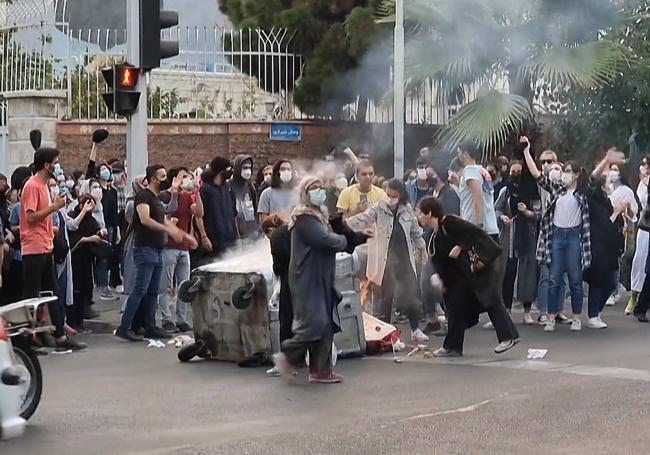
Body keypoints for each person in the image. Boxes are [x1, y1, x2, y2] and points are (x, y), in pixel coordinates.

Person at [417, 196, 519, 356]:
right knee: (455, 306)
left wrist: (460, 246)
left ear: (429, 213)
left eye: (420, 213)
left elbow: (476, 232)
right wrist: (437, 276)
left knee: (491, 301)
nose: (418, 216)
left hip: (479, 268)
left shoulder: (449, 222)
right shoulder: (435, 235)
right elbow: (439, 260)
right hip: (462, 276)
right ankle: (452, 347)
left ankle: (509, 336)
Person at [272, 176, 349, 384]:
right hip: (307, 278)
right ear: (305, 193)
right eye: (314, 188)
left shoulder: (319, 215)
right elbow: (325, 240)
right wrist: (344, 240)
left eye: (321, 187)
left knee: (325, 325)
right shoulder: (304, 218)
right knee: (315, 322)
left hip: (321, 276)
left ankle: (321, 370)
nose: (319, 191)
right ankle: (287, 354)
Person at [115, 165, 194, 342]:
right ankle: (125, 326)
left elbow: (165, 219)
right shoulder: (143, 196)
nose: (165, 179)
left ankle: (150, 325)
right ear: (152, 178)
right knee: (140, 289)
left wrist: (185, 235)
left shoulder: (156, 199)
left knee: (153, 291)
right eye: (162, 176)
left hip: (157, 249)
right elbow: (145, 219)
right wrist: (169, 230)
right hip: (145, 248)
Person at [346, 179, 429, 342]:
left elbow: (415, 232)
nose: (390, 198)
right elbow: (363, 219)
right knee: (386, 298)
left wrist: (422, 248)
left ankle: (415, 329)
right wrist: (342, 224)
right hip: (386, 261)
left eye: (394, 196)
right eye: (388, 195)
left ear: (401, 195)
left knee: (411, 295)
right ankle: (386, 334)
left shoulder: (407, 211)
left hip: (404, 259)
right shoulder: (379, 208)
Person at [522, 137, 591, 332]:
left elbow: (593, 178)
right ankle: (551, 317)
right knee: (554, 279)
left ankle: (576, 317)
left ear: (576, 175)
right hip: (557, 237)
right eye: (565, 171)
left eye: (569, 172)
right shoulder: (556, 189)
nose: (565, 175)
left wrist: (606, 161)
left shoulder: (582, 193)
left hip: (575, 237)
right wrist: (527, 151)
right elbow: (537, 175)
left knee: (576, 280)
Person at [20, 148, 85, 351]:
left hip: (45, 244)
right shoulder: (32, 186)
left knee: (53, 293)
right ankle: (27, 341)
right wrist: (54, 207)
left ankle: (59, 334)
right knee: (31, 296)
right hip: (33, 247)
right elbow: (30, 217)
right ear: (47, 165)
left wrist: (51, 225)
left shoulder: (44, 186)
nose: (58, 166)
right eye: (56, 162)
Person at [583, 150, 627, 329]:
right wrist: (606, 159)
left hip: (609, 248)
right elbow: (605, 223)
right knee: (599, 281)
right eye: (607, 176)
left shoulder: (605, 199)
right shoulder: (593, 196)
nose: (610, 178)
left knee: (610, 282)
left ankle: (597, 313)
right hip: (597, 246)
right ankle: (593, 315)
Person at [495, 161, 541, 325]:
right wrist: (502, 217)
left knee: (527, 274)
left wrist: (527, 212)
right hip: (509, 235)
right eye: (513, 171)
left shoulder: (533, 191)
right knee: (507, 273)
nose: (515, 174)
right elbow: (497, 208)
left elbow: (539, 213)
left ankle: (527, 312)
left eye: (519, 171)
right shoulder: (505, 191)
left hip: (527, 236)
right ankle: (505, 311)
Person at [157, 168, 200, 334]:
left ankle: (181, 319)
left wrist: (197, 191)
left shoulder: (188, 196)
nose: (187, 179)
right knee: (166, 285)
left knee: (184, 285)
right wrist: (174, 191)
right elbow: (163, 217)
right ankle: (167, 319)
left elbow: (198, 213)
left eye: (188, 176)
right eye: (184, 176)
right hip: (169, 247)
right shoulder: (164, 196)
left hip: (184, 248)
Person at [535, 151, 570, 325]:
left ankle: (558, 311)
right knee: (546, 275)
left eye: (551, 162)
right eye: (544, 162)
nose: (547, 165)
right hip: (547, 234)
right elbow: (539, 178)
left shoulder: (566, 186)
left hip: (563, 234)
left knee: (561, 276)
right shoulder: (544, 183)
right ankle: (543, 311)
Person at [67, 194, 104, 331]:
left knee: (85, 289)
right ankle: (73, 322)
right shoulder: (72, 215)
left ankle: (81, 320)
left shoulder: (91, 218)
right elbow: (72, 236)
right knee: (75, 291)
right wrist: (88, 239)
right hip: (75, 259)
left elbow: (94, 230)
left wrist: (100, 233)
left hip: (87, 259)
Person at [605, 161, 638, 306]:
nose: (612, 172)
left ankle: (614, 290)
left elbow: (633, 214)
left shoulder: (626, 191)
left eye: (615, 169)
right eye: (611, 169)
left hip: (620, 227)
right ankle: (614, 287)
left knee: (616, 259)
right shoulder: (607, 188)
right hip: (605, 226)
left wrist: (627, 208)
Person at [263, 215, 292, 378]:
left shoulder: (277, 236)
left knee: (286, 322)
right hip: (302, 279)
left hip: (289, 281)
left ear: (270, 231)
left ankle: (285, 362)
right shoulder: (291, 231)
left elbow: (278, 264)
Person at [456, 141, 499, 238]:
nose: (458, 156)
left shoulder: (469, 170)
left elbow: (478, 198)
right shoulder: (482, 171)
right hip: (491, 226)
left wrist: (478, 226)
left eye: (459, 153)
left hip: (476, 228)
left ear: (465, 155)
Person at [200, 157, 238, 257]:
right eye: (229, 169)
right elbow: (199, 216)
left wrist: (237, 237)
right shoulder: (205, 190)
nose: (231, 172)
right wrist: (204, 236)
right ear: (221, 170)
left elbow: (234, 214)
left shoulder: (228, 188)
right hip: (214, 241)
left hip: (230, 239)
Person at [628, 158, 650, 315]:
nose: (642, 166)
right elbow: (642, 200)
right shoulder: (643, 183)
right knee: (640, 261)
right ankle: (635, 296)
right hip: (646, 227)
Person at [231, 155, 261, 240]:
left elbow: (255, 209)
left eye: (249, 168)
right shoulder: (229, 186)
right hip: (237, 233)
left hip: (252, 230)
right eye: (244, 168)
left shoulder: (249, 186)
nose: (248, 171)